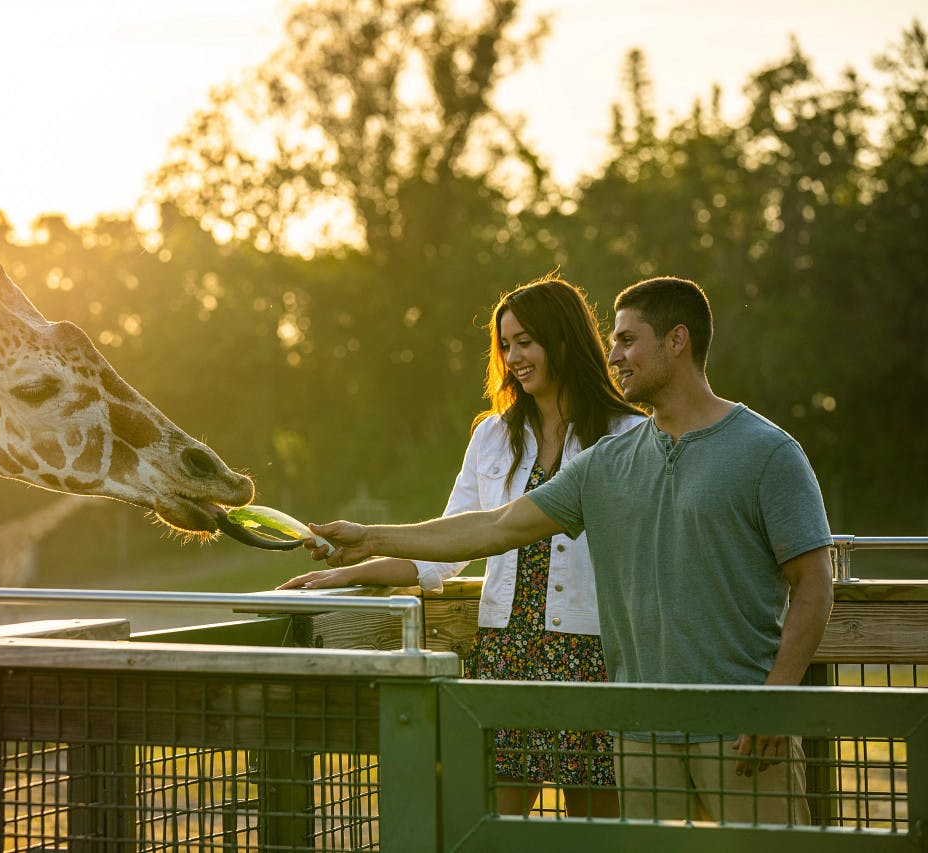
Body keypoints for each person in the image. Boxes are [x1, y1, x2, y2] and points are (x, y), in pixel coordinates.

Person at [286, 276, 834, 825]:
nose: (613, 356)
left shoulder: (760, 451)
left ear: (677, 340)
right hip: (634, 723)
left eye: (627, 340)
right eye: (613, 341)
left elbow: (814, 583)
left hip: (721, 716)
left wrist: (775, 698)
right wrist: (368, 542)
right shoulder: (609, 460)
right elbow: (494, 526)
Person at [281, 274, 644, 818]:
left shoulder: (629, 435)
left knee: (597, 830)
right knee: (490, 826)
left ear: (565, 341)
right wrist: (350, 570)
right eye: (506, 345)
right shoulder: (492, 436)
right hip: (505, 653)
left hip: (592, 654)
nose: (513, 358)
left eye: (526, 341)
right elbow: (447, 544)